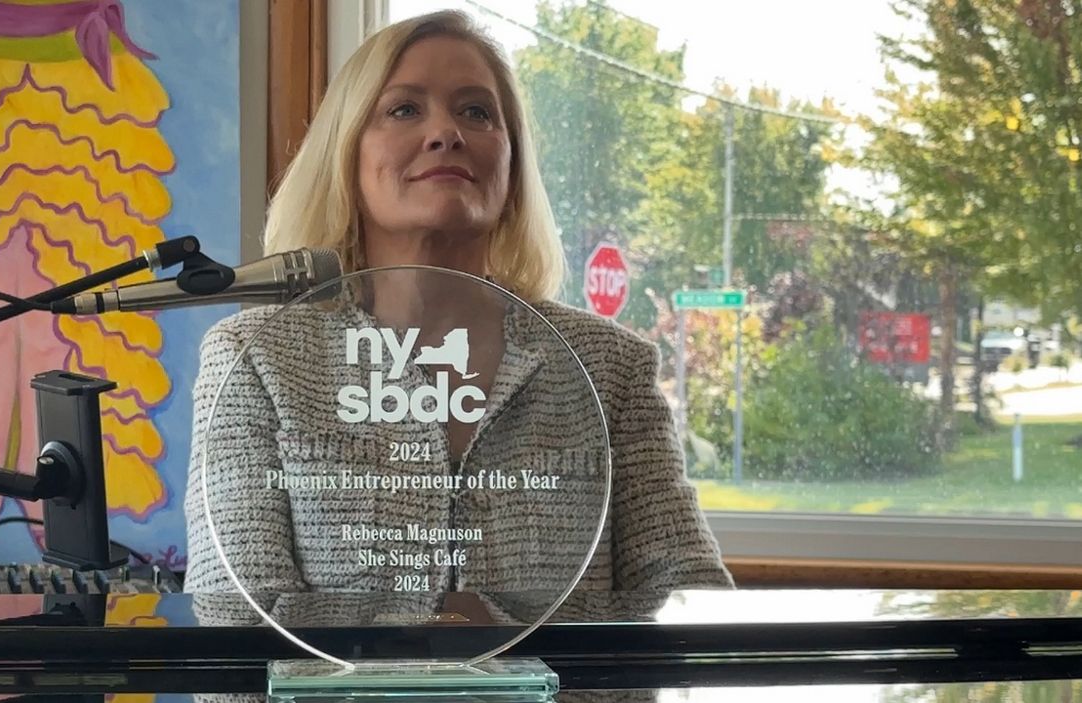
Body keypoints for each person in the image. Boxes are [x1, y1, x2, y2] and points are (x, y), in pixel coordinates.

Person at [183, 10, 733, 595]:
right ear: (344, 153)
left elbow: (690, 603)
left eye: (477, 112)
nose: (446, 132)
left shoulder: (612, 370)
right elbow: (232, 623)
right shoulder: (254, 357)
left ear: (513, 166)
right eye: (404, 109)